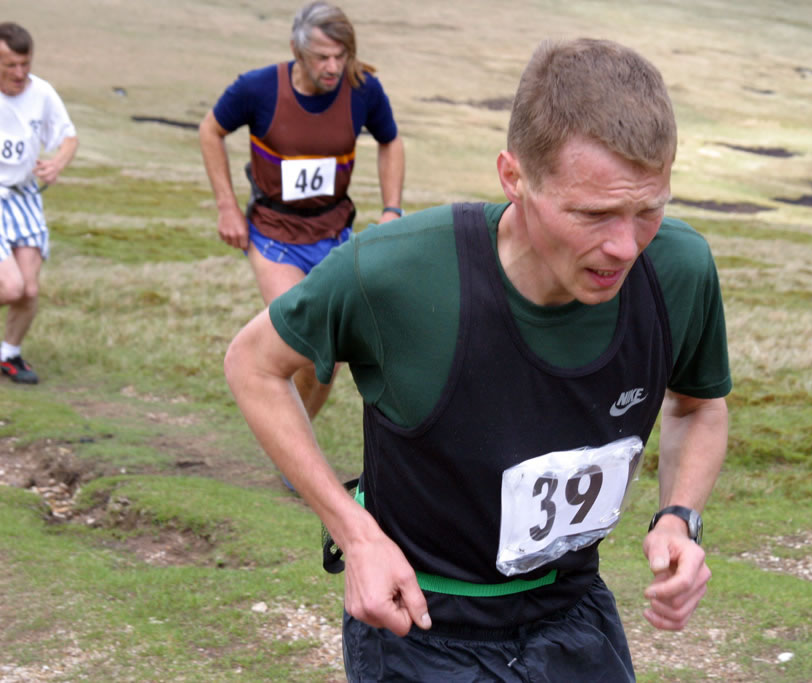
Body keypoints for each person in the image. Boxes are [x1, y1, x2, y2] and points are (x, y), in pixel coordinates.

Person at [225, 38, 730, 681]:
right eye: (594, 214)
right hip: (420, 627)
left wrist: (680, 517)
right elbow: (253, 364)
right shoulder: (398, 271)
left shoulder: (679, 270)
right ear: (514, 178)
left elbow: (697, 406)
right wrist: (355, 534)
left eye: (649, 210)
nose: (625, 246)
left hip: (574, 612)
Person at [200, 1, 404, 435]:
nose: (333, 67)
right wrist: (226, 205)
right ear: (297, 50)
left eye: (341, 55)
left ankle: (292, 441)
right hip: (274, 236)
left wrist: (392, 209)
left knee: (328, 360)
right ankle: (290, 443)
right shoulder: (257, 89)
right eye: (322, 57)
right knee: (307, 342)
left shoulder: (362, 89)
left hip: (334, 235)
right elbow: (210, 130)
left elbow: (391, 140)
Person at [0, 22, 78, 385]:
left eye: (25, 64)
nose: (20, 73)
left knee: (29, 290)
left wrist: (57, 163)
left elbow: (68, 137)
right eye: (10, 65)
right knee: (10, 287)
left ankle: (8, 355)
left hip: (24, 197)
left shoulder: (42, 93)